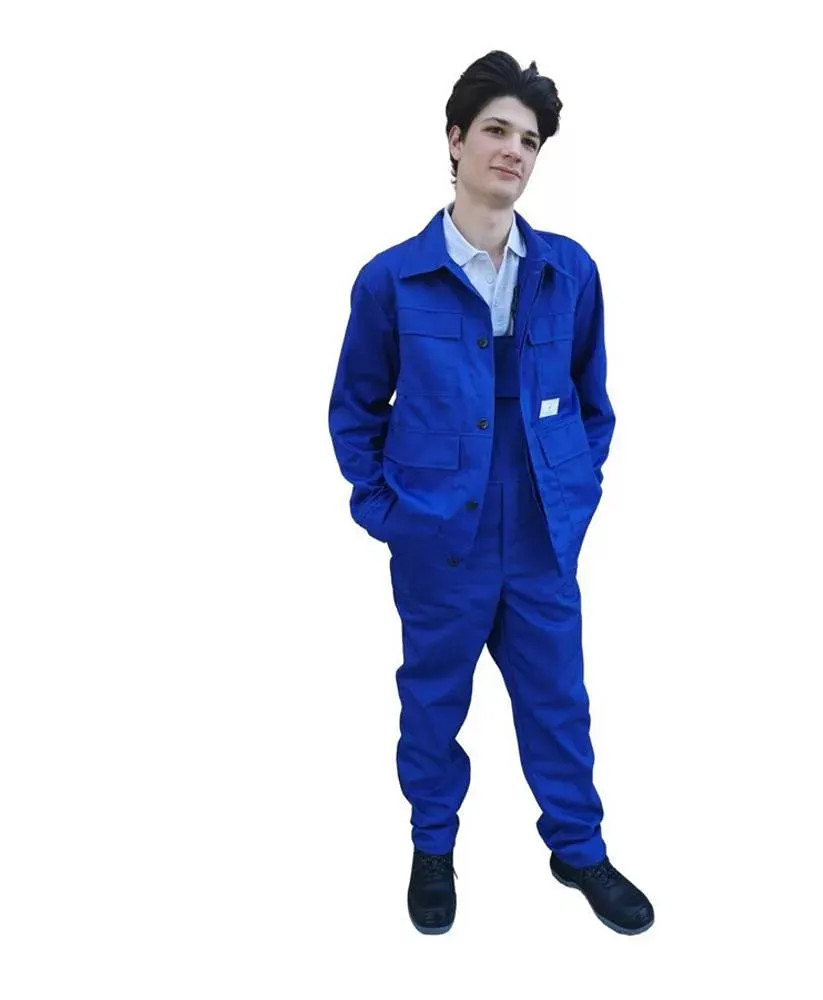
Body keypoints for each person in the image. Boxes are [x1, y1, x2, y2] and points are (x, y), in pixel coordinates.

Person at [328, 50, 653, 936]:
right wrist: (388, 513)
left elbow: (592, 401)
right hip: (440, 543)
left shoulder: (568, 272)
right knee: (433, 703)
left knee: (559, 702)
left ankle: (578, 850)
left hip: (540, 537)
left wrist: (578, 490)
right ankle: (432, 846)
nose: (515, 150)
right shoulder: (393, 280)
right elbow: (355, 409)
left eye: (530, 140)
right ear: (455, 139)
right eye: (498, 130)